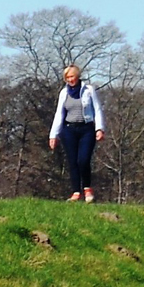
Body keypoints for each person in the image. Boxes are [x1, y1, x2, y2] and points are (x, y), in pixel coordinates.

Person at [48, 65, 106, 203]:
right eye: (67, 78)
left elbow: (97, 109)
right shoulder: (64, 93)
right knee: (72, 161)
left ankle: (87, 189)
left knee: (83, 160)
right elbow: (59, 114)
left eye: (72, 76)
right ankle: (76, 192)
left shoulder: (88, 90)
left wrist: (100, 129)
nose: (70, 80)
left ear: (78, 76)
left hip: (86, 129)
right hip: (69, 130)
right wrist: (53, 135)